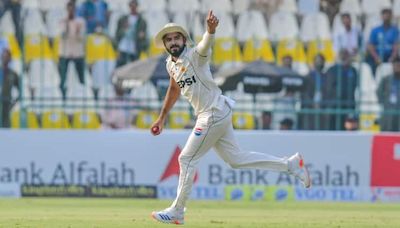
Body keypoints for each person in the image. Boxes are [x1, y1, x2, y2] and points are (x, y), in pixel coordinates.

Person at [149, 10, 311, 225]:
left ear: (184, 39)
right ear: (165, 45)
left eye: (176, 37)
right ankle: (290, 165)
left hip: (213, 113)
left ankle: (178, 210)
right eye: (168, 39)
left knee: (186, 158)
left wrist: (210, 31)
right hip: (215, 112)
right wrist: (162, 118)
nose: (173, 42)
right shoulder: (171, 64)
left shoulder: (194, 56)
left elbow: (205, 46)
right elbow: (173, 89)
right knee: (236, 159)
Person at [59, 1, 86, 99]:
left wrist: (77, 32)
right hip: (65, 53)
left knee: (81, 78)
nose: (71, 11)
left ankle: (84, 96)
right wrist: (67, 25)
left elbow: (82, 39)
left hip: (78, 53)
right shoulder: (62, 21)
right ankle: (62, 97)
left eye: (72, 9)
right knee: (63, 79)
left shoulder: (81, 22)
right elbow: (62, 36)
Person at [326, 49, 358, 130]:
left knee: (349, 129)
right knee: (333, 129)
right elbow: (329, 87)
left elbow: (354, 86)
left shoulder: (353, 70)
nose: (344, 57)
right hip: (334, 106)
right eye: (342, 54)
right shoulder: (332, 69)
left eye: (346, 55)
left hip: (348, 105)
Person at [299, 54, 331, 130]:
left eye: (321, 61)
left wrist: (324, 104)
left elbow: (330, 93)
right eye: (317, 61)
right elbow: (304, 94)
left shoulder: (327, 77)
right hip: (310, 110)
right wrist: (312, 103)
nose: (319, 63)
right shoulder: (307, 77)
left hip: (323, 109)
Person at [115, 0, 148, 67]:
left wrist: (141, 37)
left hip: (135, 48)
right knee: (121, 67)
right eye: (131, 6)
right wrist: (124, 30)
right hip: (123, 48)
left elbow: (143, 35)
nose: (133, 8)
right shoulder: (122, 19)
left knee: (134, 67)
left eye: (134, 6)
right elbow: (117, 33)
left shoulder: (142, 21)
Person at [366, 9, 399, 75]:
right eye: (384, 14)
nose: (386, 16)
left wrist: (392, 58)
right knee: (369, 62)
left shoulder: (395, 30)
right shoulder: (375, 30)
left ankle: (394, 83)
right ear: (381, 16)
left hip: (390, 57)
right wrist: (376, 58)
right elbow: (370, 46)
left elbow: (396, 46)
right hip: (376, 57)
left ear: (391, 16)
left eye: (388, 14)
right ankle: (374, 83)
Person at [377, 59, 400, 132]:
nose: (397, 68)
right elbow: (379, 91)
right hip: (388, 109)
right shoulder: (386, 79)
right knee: (387, 129)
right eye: (396, 65)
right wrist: (384, 102)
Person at [0, 49, 19, 128]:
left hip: (6, 104)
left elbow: (20, 91)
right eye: (3, 56)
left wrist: (13, 103)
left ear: (10, 59)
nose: (5, 58)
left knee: (6, 126)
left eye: (7, 56)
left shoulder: (13, 74)